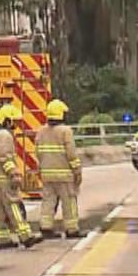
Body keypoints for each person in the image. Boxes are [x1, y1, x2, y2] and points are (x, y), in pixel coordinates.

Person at [0, 103, 38, 247]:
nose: (14, 125)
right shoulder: (5, 135)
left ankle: (2, 239)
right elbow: (6, 157)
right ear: (7, 121)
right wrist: (14, 174)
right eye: (13, 121)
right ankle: (25, 236)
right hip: (5, 180)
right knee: (13, 205)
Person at [35, 98, 83, 238]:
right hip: (65, 175)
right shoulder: (65, 131)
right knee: (69, 202)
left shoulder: (41, 131)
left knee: (48, 202)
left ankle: (46, 228)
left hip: (47, 175)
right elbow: (71, 153)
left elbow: (37, 152)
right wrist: (77, 170)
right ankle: (71, 229)